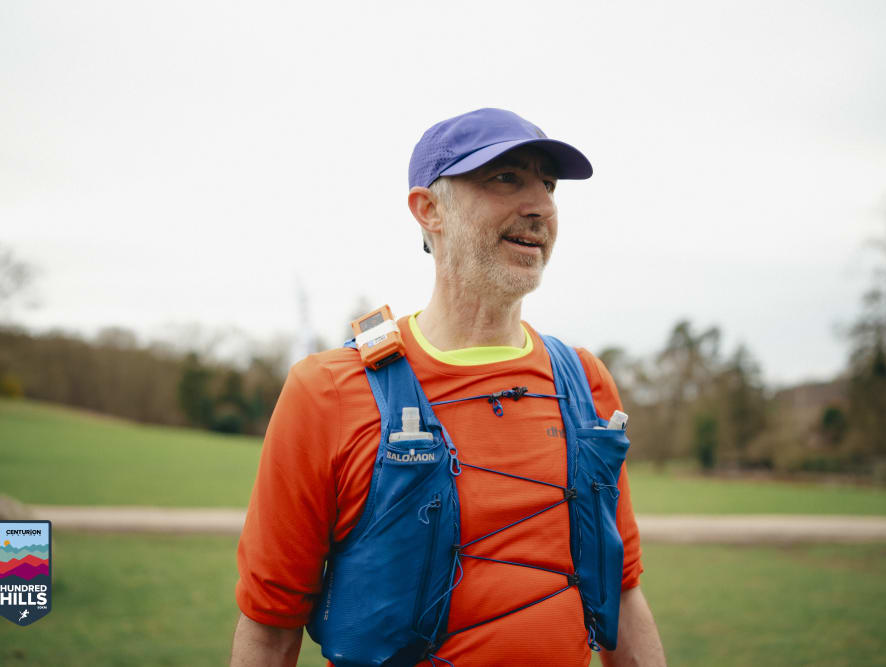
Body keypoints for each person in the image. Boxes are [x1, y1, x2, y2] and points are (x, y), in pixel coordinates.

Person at [230, 108, 666, 667]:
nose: (541, 206)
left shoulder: (585, 382)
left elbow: (623, 592)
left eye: (548, 185)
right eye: (506, 178)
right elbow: (270, 627)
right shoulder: (328, 390)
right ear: (428, 209)